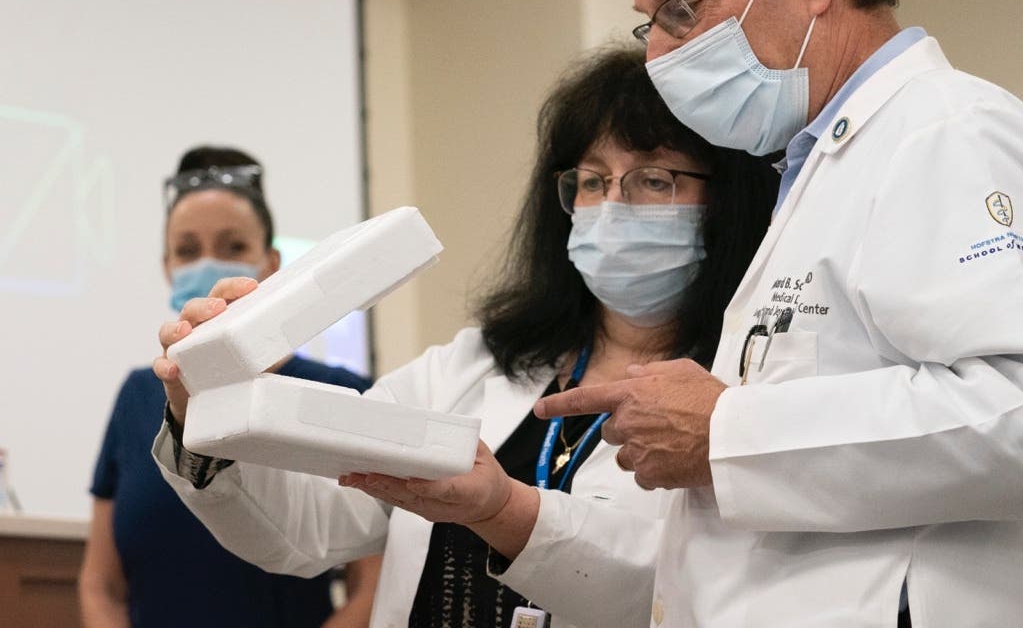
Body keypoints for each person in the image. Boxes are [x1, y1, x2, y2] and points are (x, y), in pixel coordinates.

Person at [534, 0, 1023, 627]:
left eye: (683, 7)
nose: (660, 55)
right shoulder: (820, 164)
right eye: (652, 22)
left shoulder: (948, 129)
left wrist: (726, 430)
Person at [148, 48, 778, 628]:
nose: (611, 206)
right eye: (591, 181)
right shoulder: (472, 367)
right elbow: (308, 528)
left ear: (726, 202)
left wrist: (504, 511)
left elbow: (687, 591)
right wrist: (203, 410)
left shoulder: (746, 389)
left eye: (652, 179)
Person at [79, 146, 380, 628]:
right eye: (188, 250)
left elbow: (372, 588)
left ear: (271, 262)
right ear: (167, 266)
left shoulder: (341, 393)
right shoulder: (138, 397)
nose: (209, 264)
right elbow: (101, 586)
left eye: (233, 246)